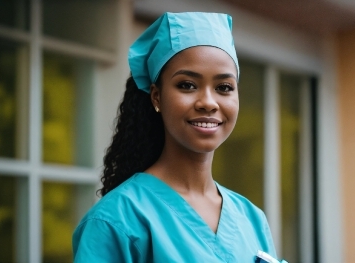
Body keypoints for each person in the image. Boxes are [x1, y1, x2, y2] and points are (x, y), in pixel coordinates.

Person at [72, 12, 284, 263]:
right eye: (187, 85)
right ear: (156, 97)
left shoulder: (251, 218)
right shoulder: (116, 221)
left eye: (224, 88)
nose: (208, 102)